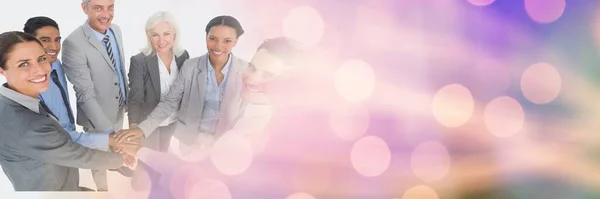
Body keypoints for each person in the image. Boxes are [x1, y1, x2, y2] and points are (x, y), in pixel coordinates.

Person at [0, 31, 130, 191]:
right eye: (24, 64)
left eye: (41, 59)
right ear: (2, 70)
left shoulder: (14, 99)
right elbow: (76, 154)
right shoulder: (27, 125)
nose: (40, 69)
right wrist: (119, 159)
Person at [116, 15, 247, 151]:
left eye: (227, 41)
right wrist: (140, 128)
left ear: (236, 42)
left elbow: (246, 113)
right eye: (212, 39)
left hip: (228, 145)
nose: (218, 46)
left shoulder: (246, 71)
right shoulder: (190, 66)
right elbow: (170, 101)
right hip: (192, 142)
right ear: (206, 37)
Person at [23, 16, 139, 152]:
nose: (54, 47)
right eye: (45, 40)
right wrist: (108, 139)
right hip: (53, 146)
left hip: (70, 137)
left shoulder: (56, 65)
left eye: (57, 40)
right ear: (29, 42)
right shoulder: (29, 84)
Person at [62, 0, 131, 191]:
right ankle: (103, 190)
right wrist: (110, 134)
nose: (106, 14)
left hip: (118, 107)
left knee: (113, 151)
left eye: (110, 7)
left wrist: (127, 101)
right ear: (84, 8)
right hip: (96, 116)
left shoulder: (115, 30)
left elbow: (118, 69)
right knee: (98, 158)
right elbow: (84, 94)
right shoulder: (73, 43)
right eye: (98, 8)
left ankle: (115, 164)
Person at [126, 11, 189, 197]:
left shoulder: (183, 56)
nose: (161, 41)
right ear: (148, 36)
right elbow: (135, 98)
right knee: (148, 165)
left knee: (167, 163)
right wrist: (134, 128)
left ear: (174, 34)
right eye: (155, 35)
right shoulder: (139, 61)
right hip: (149, 125)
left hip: (174, 122)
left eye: (166, 34)